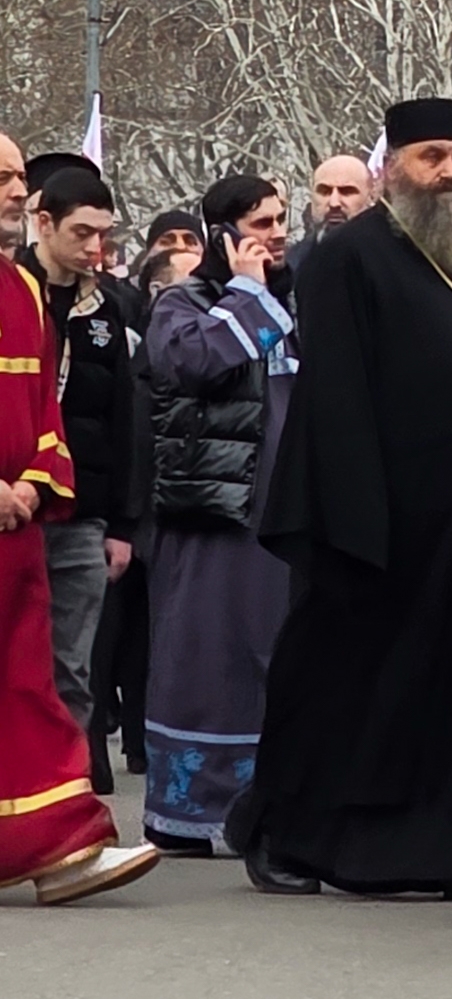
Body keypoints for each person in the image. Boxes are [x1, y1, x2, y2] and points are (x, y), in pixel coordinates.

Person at [243, 97, 452, 896]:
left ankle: (432, 845)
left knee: (437, 688)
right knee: (338, 682)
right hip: (366, 514)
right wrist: (361, 519)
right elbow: (335, 397)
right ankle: (285, 832)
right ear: (390, 166)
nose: (450, 173)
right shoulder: (346, 255)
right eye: (433, 157)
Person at [0, 146, 156, 905]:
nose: (14, 192)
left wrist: (30, 486)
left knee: (36, 685)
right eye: (0, 179)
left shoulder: (18, 293)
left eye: (16, 180)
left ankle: (58, 842)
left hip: (23, 528)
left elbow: (47, 419)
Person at [138, 175, 299, 855]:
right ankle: (193, 808)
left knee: (278, 652)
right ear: (224, 236)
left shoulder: (299, 300)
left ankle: (269, 801)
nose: (276, 233)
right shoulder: (185, 303)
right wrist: (247, 294)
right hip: (214, 508)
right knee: (206, 656)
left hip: (285, 510)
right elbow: (192, 361)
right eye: (260, 223)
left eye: (281, 219)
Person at [21, 157, 145, 769]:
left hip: (85, 518)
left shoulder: (107, 308)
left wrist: (122, 524)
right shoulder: (12, 293)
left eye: (104, 235)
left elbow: (126, 418)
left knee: (73, 670)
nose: (95, 249)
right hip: (18, 509)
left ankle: (66, 815)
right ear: (43, 223)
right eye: (82, 234)